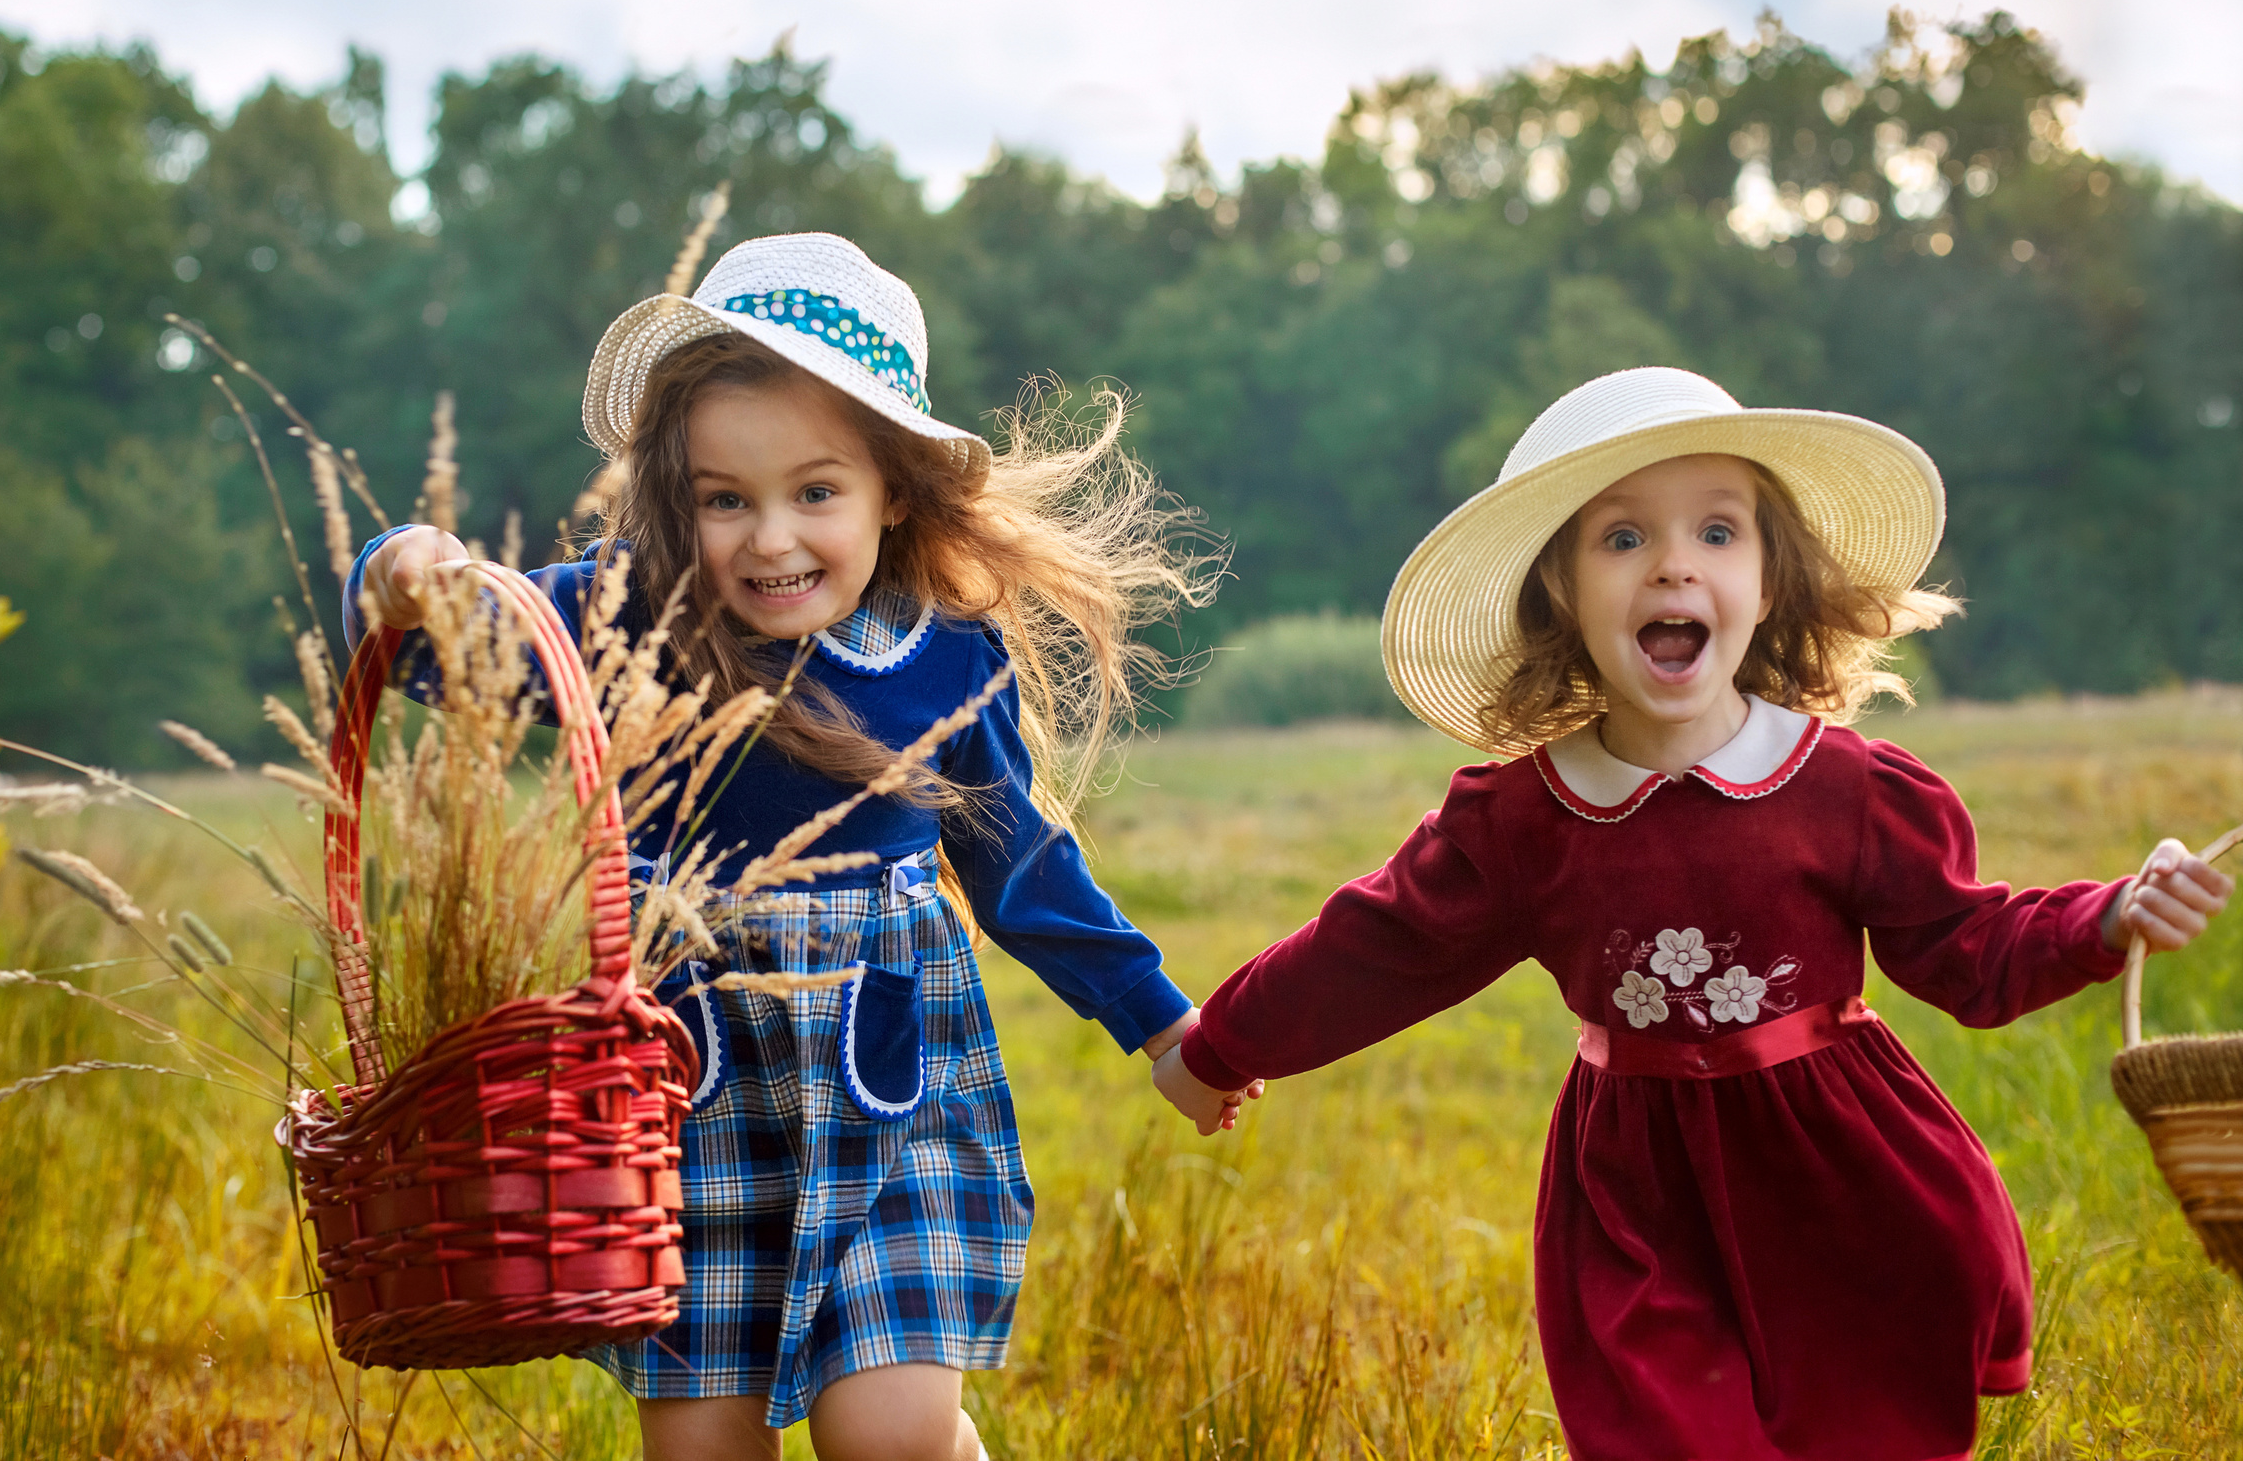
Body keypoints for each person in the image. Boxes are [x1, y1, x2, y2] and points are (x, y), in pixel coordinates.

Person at [1152, 366, 2232, 1461]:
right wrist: (1222, 1046)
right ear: (1562, 592)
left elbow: (1968, 949)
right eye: (1622, 540)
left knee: (1863, 1430)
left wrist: (2107, 917)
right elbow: (1374, 947)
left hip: (1841, 1180)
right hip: (1635, 1203)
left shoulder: (1846, 789)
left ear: (1767, 583)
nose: (1673, 561)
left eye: (1717, 532)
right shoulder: (1523, 818)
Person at [349, 232, 1224, 1461]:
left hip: (891, 1087)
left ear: (894, 492)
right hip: (694, 1093)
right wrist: (401, 566)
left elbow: (1019, 860)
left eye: (816, 492)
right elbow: (436, 644)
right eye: (726, 499)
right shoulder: (628, 621)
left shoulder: (941, 655)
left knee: (892, 1432)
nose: (770, 540)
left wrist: (1161, 1021)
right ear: (678, 499)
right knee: (700, 1444)